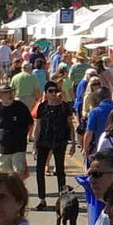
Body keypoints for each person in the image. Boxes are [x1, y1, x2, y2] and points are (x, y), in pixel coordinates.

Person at [32, 81, 74, 209]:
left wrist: (73, 143)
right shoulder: (42, 107)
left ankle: (62, 199)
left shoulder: (64, 107)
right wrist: (34, 145)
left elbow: (70, 125)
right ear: (46, 93)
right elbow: (38, 127)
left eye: (55, 91)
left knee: (60, 170)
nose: (53, 93)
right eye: (50, 91)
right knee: (40, 170)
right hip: (44, 141)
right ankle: (42, 199)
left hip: (59, 141)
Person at [0, 83, 34, 180]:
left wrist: (26, 136)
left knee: (18, 175)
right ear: (0, 95)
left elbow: (30, 123)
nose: (10, 95)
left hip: (18, 147)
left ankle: (18, 194)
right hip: (2, 148)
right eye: (6, 93)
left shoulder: (20, 107)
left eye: (11, 92)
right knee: (2, 176)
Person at [83, 84, 113, 161]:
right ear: (110, 97)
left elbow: (89, 132)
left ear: (97, 98)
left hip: (101, 146)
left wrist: (85, 148)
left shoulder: (95, 112)